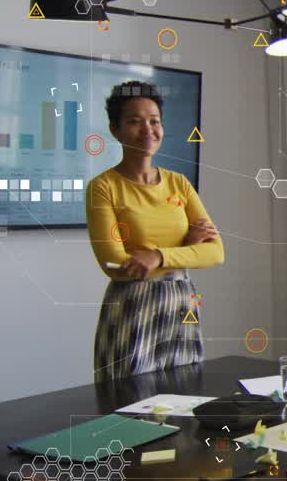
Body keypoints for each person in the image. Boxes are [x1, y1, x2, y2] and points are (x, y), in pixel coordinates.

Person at [86, 81, 224, 382]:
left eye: (154, 121)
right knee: (126, 410)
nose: (147, 129)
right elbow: (116, 265)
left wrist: (157, 256)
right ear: (115, 130)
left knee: (184, 402)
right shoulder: (103, 187)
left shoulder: (179, 184)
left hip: (180, 305)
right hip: (132, 308)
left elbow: (215, 252)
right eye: (135, 121)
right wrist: (187, 248)